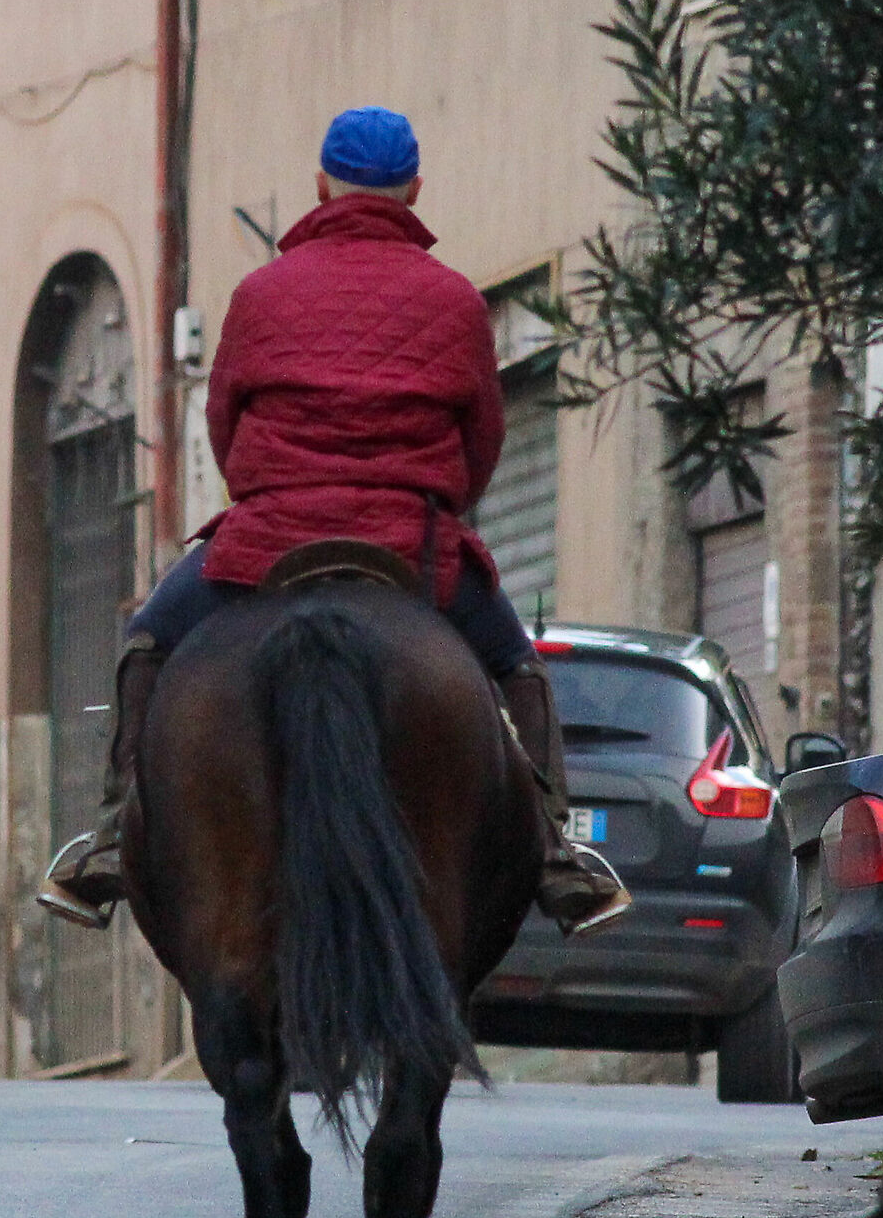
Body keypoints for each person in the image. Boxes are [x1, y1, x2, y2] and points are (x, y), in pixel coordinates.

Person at [40, 106, 632, 936]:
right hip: (413, 550)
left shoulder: (259, 294)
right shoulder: (457, 301)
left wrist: (272, 487)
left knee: (147, 645)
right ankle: (556, 852)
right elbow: (483, 440)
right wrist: (442, 509)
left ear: (323, 185)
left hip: (266, 544)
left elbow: (224, 423)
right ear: (414, 189)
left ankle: (107, 838)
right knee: (519, 671)